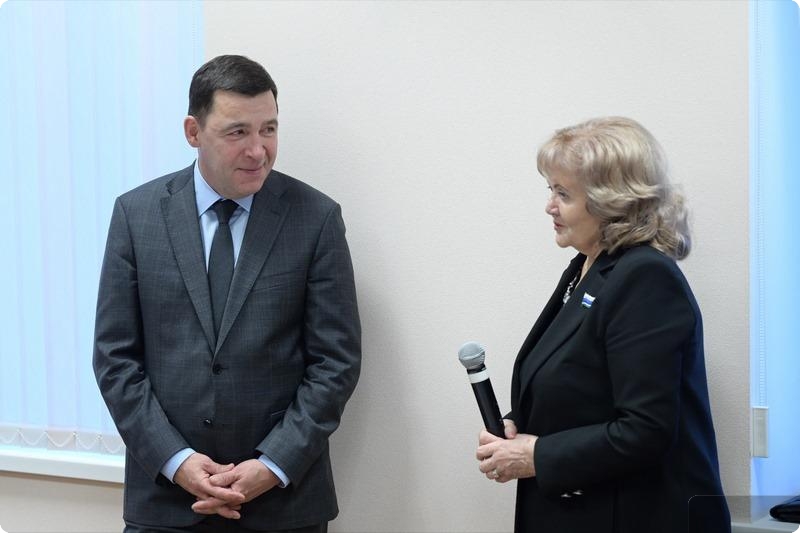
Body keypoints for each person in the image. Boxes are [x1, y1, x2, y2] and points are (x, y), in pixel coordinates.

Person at [93, 55, 361, 533]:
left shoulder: (315, 218)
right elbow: (115, 359)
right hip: (166, 502)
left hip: (283, 505)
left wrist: (272, 465)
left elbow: (335, 363)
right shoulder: (136, 215)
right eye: (238, 132)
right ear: (193, 132)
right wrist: (176, 460)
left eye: (269, 129)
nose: (259, 151)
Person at [474, 117, 731, 533]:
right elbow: (581, 387)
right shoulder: (588, 267)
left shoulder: (645, 277)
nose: (549, 206)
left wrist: (536, 456)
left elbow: (646, 429)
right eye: (550, 190)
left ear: (611, 201)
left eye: (563, 194)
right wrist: (517, 424)